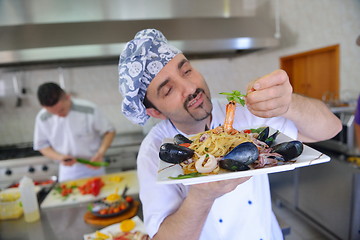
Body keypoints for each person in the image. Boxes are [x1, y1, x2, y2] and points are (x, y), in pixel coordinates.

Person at [118, 29, 342, 240]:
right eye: (168, 90)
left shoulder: (244, 110)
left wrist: (290, 103)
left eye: (186, 71)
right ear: (155, 111)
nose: (189, 88)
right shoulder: (153, 151)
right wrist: (201, 197)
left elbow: (331, 128)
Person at [33, 82, 116, 182]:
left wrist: (101, 152)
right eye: (53, 113)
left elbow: (109, 131)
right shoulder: (42, 118)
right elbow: (42, 146)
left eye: (61, 110)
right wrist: (60, 157)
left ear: (68, 97)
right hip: (68, 170)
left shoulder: (89, 109)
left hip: (94, 164)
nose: (59, 115)